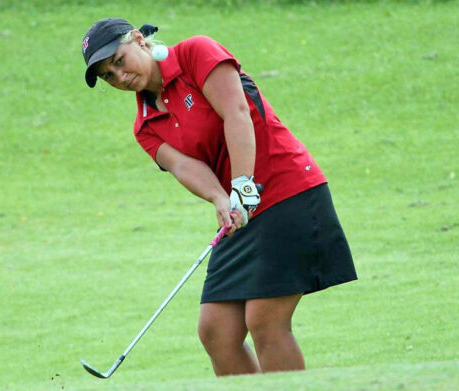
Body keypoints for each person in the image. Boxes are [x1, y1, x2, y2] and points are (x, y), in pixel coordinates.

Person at [80, 18, 357, 376]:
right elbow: (184, 167)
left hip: (287, 190)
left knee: (265, 320)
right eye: (108, 76)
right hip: (241, 211)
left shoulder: (196, 53)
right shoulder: (145, 125)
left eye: (118, 61)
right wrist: (220, 199)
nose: (119, 77)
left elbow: (237, 113)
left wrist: (242, 186)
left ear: (138, 40)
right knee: (216, 331)